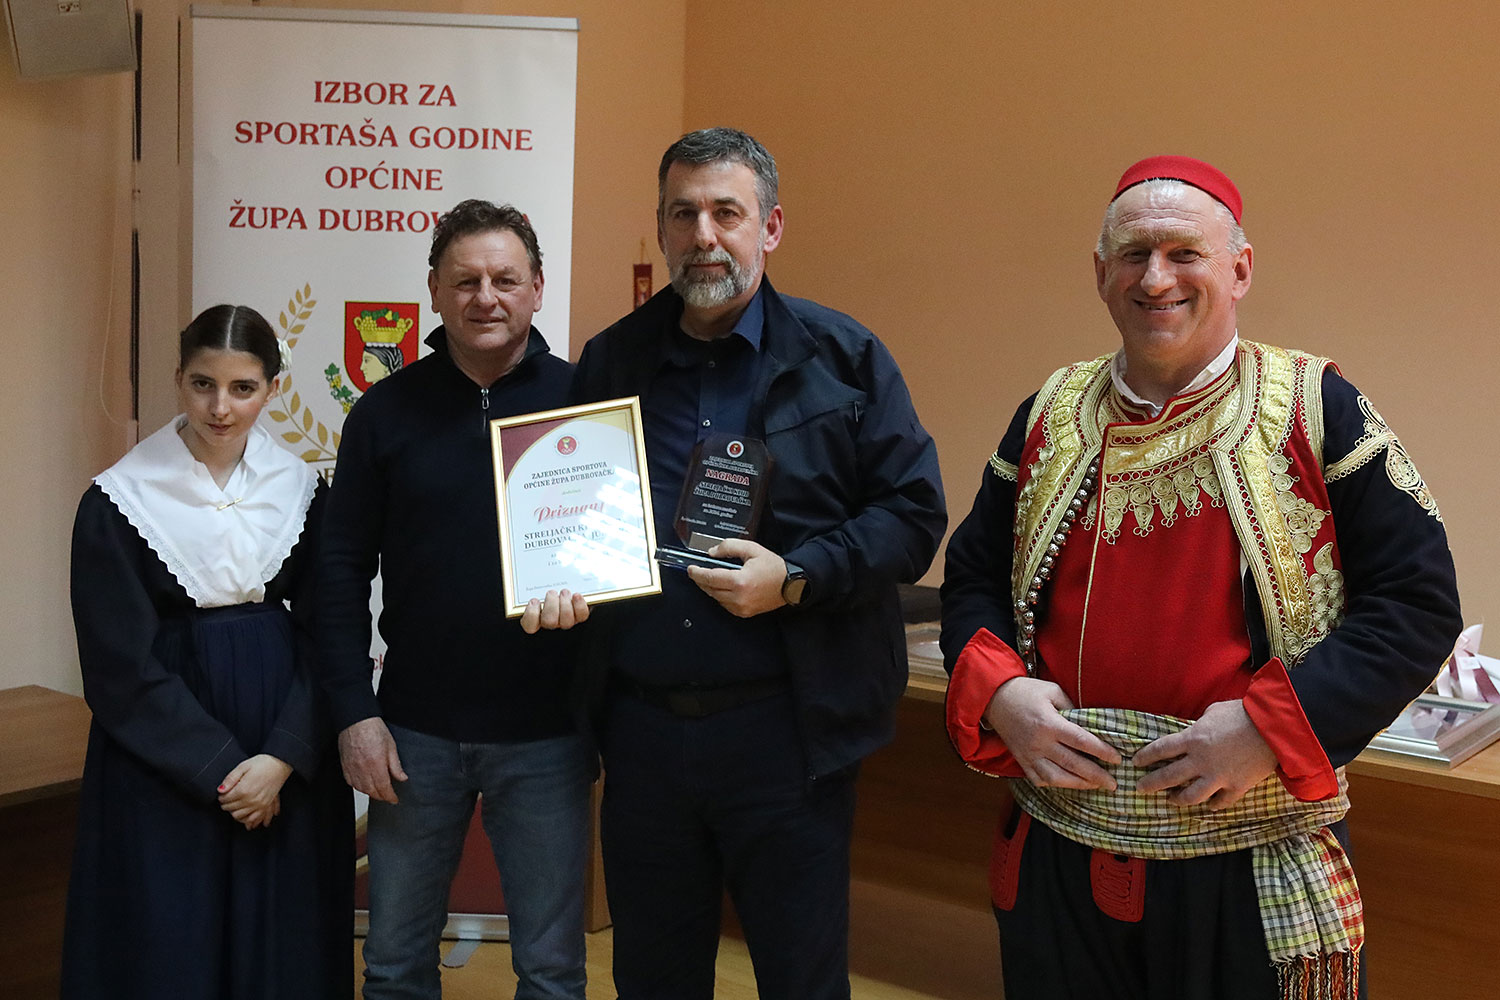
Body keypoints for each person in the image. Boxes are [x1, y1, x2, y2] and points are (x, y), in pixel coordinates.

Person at [940, 155, 1462, 1000]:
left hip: (1246, 862)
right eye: (1134, 254)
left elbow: (1415, 606)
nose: (1157, 279)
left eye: (1185, 253)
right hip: (1059, 847)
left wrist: (1266, 729)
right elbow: (972, 578)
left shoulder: (1316, 408)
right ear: (1100, 273)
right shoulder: (1048, 412)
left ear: (1240, 269)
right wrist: (1001, 694)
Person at [567, 127, 947, 999]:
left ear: (770, 227)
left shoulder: (844, 358)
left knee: (800, 979)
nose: (703, 235)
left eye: (726, 213)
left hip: (788, 737)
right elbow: (574, 515)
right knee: (653, 978)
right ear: (661, 230)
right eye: (683, 214)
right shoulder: (611, 361)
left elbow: (913, 515)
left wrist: (799, 575)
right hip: (644, 735)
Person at [317, 199, 592, 1000]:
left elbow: (621, 559)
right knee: (394, 965)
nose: (486, 297)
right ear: (434, 290)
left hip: (548, 734)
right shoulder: (384, 413)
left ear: (538, 288)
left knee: (552, 971)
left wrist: (595, 605)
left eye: (505, 279)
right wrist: (353, 714)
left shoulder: (587, 402)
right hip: (413, 732)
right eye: (465, 281)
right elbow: (338, 572)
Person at [62, 304, 352, 999]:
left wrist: (281, 758)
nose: (221, 408)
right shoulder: (118, 500)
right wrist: (224, 771)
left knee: (281, 940)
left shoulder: (303, 490)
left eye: (243, 388)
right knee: (171, 938)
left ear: (272, 389)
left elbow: (330, 631)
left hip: (284, 748)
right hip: (166, 758)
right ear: (178, 380)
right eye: (203, 385)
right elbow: (118, 665)